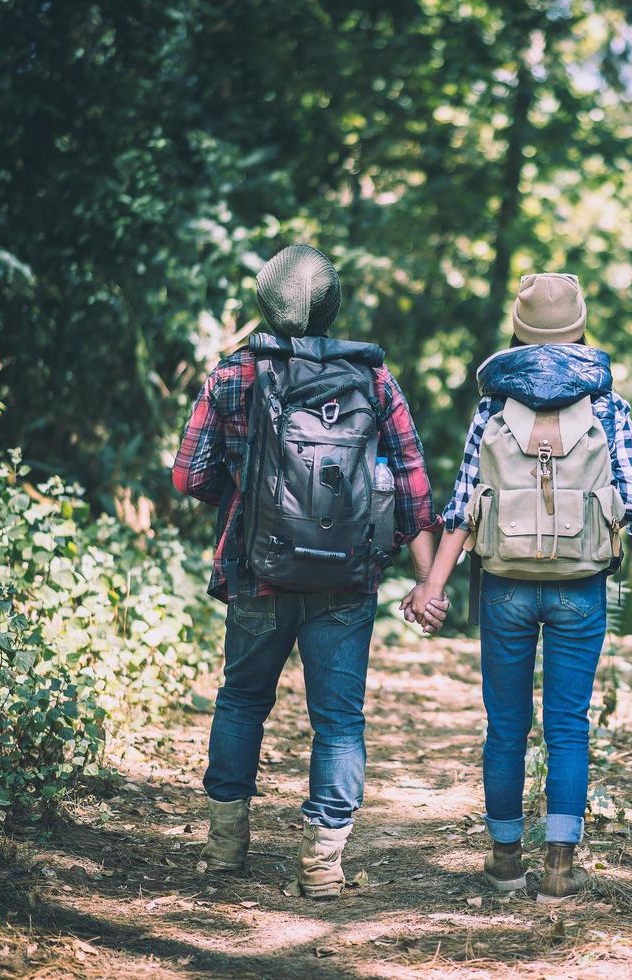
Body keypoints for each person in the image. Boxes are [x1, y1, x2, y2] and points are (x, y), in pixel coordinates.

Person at [172, 245, 446, 898]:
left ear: (265, 303)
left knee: (242, 702)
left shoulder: (236, 373)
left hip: (254, 571)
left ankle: (223, 854)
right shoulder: (372, 377)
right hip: (345, 580)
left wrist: (248, 499)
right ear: (333, 307)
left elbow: (188, 475)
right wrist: (427, 580)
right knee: (339, 721)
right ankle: (322, 867)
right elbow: (411, 482)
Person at [413, 272, 632, 903]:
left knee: (506, 726)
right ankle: (561, 869)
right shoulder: (607, 407)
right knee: (569, 724)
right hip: (581, 586)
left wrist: (432, 586)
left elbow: (463, 507)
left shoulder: (492, 408)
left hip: (505, 586)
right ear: (581, 330)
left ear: (517, 333)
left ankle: (505, 859)